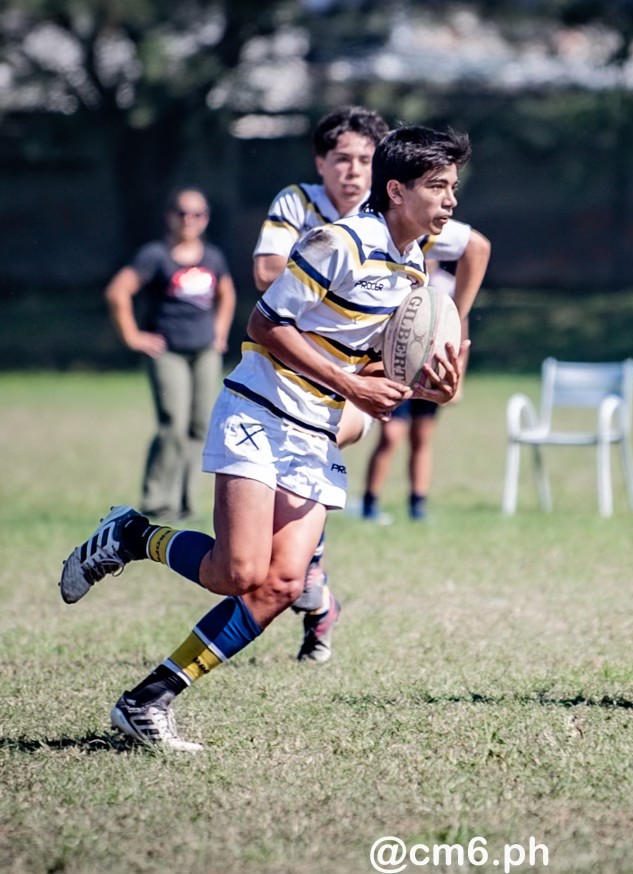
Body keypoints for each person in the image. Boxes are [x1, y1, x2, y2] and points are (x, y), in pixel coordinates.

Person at [59, 125, 472, 750]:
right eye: (438, 187)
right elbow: (265, 321)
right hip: (261, 408)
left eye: (453, 187)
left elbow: (366, 362)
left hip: (318, 432)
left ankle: (149, 702)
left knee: (281, 585)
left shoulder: (414, 268)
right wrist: (351, 386)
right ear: (397, 190)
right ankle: (131, 535)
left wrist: (421, 388)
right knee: (237, 572)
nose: (450, 200)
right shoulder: (341, 242)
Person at [250, 106, 390, 661]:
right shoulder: (297, 202)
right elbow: (265, 273)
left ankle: (310, 579)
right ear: (320, 162)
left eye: (365, 160)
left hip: (352, 378)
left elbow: (470, 247)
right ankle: (317, 594)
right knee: (271, 555)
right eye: (342, 159)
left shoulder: (394, 213)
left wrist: (460, 326)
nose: (353, 172)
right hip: (282, 366)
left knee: (324, 442)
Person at [105, 187, 237, 521]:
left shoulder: (213, 257)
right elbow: (118, 292)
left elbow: (227, 293)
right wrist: (132, 336)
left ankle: (186, 502)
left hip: (204, 352)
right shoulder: (155, 255)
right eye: (181, 213)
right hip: (168, 352)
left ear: (206, 219)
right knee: (173, 425)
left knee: (199, 427)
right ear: (169, 216)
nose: (188, 220)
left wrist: (219, 333)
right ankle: (156, 501)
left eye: (197, 214)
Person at [360, 228, 491, 523]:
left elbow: (459, 329)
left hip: (434, 371)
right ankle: (370, 502)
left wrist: (458, 379)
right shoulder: (398, 278)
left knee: (421, 437)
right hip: (395, 370)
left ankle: (418, 504)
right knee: (391, 435)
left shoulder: (446, 284)